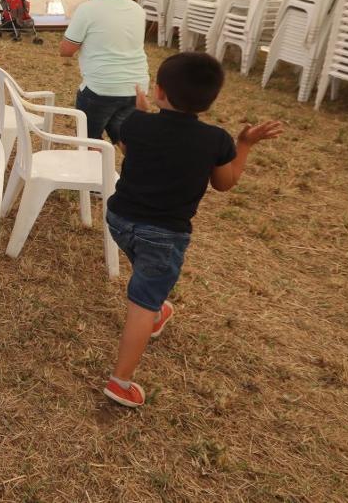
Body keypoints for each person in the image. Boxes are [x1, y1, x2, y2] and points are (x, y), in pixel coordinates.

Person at [103, 53, 283, 408]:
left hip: (120, 220)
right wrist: (245, 144)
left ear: (159, 91)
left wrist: (140, 113)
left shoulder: (136, 123)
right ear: (210, 100)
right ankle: (120, 381)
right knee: (143, 300)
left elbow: (128, 148)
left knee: (148, 274)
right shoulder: (216, 140)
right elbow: (225, 183)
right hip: (164, 235)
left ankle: (157, 311)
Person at [58, 0, 149, 143]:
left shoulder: (87, 9)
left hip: (101, 88)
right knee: (125, 139)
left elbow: (66, 50)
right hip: (136, 88)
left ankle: (95, 161)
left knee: (89, 141)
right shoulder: (138, 10)